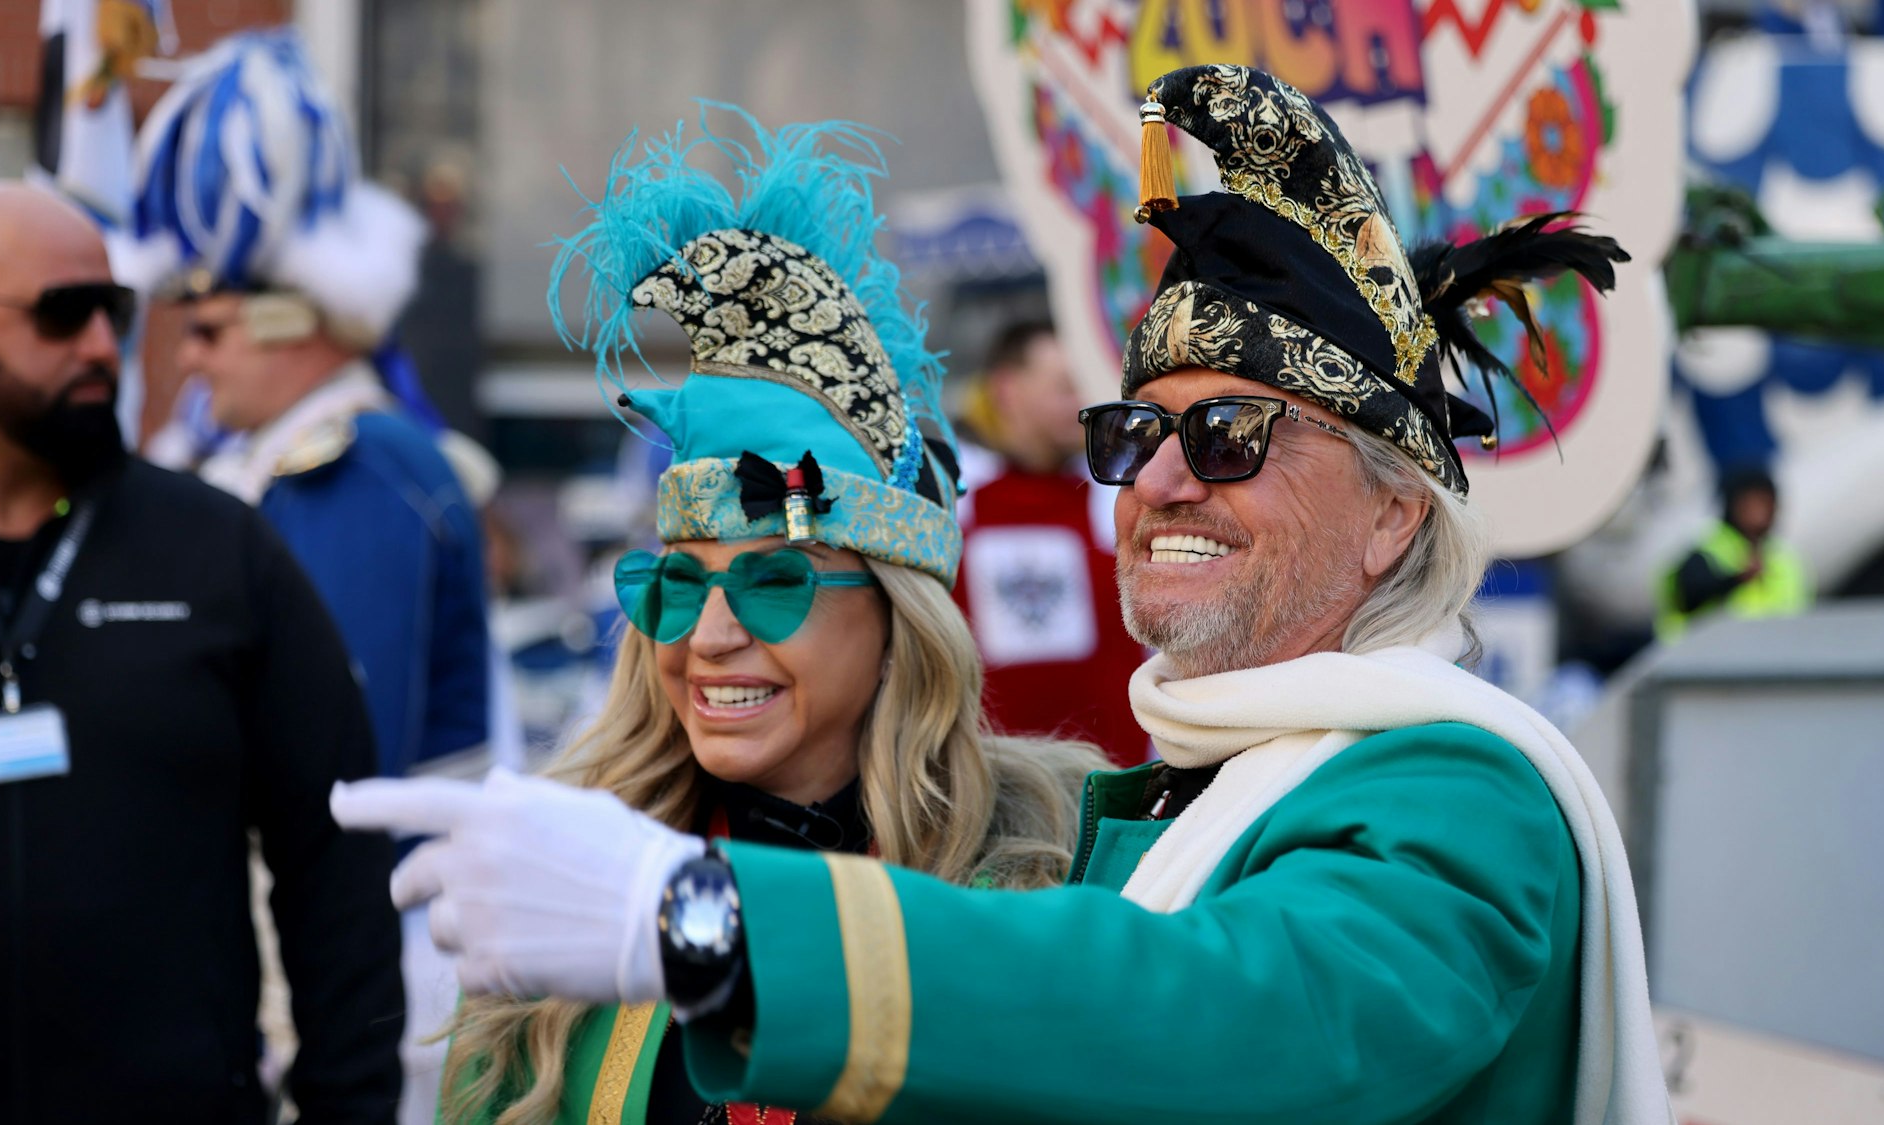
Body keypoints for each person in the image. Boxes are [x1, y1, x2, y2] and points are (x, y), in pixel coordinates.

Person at [334, 66, 1670, 1124]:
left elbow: (1232, 1023)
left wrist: (700, 924)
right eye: (1136, 434)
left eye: (1230, 436)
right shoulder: (1158, 799)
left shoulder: (1458, 792)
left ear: (1392, 514)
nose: (1163, 481)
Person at [419, 109, 1103, 1125]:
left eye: (777, 583)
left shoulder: (1045, 888)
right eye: (678, 585)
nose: (709, 637)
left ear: (898, 621)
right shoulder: (563, 892)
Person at [0, 182, 402, 1122]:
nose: (102, 348)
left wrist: (348, 1106)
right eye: (61, 314)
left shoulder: (218, 552)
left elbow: (339, 865)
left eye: (113, 312)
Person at [124, 28, 492, 781]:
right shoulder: (285, 456)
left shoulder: (358, 467)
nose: (188, 357)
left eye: (207, 330)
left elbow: (333, 758)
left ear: (290, 318)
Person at [952, 320, 1147, 764]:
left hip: (1114, 781)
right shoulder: (951, 494)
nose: (1083, 402)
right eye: (1065, 386)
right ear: (1007, 389)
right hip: (988, 780)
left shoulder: (1119, 494)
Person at [1655, 462, 1810, 641]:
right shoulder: (1707, 551)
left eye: (1765, 502)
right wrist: (1735, 580)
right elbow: (1689, 595)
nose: (1758, 513)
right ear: (1731, 506)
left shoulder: (1786, 559)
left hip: (1776, 661)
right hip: (1706, 663)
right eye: (1750, 504)